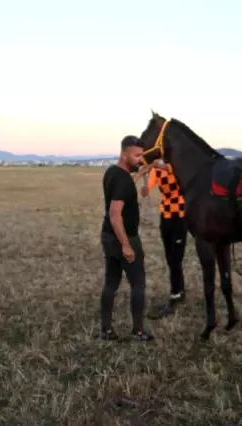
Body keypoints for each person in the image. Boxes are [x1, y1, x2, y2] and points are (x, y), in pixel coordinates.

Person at [99, 135, 154, 342]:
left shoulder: (113, 172)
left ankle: (106, 330)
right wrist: (126, 245)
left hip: (107, 236)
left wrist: (140, 173)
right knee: (138, 284)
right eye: (137, 155)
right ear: (124, 155)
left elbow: (125, 187)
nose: (141, 158)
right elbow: (115, 214)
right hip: (125, 238)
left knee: (111, 282)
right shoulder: (123, 180)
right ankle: (138, 332)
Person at [136, 160, 189, 319]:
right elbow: (148, 188)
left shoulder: (177, 166)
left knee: (175, 258)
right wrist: (145, 190)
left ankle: (175, 295)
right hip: (165, 216)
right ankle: (180, 290)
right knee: (170, 257)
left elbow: (168, 167)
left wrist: (156, 165)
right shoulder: (156, 171)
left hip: (180, 216)